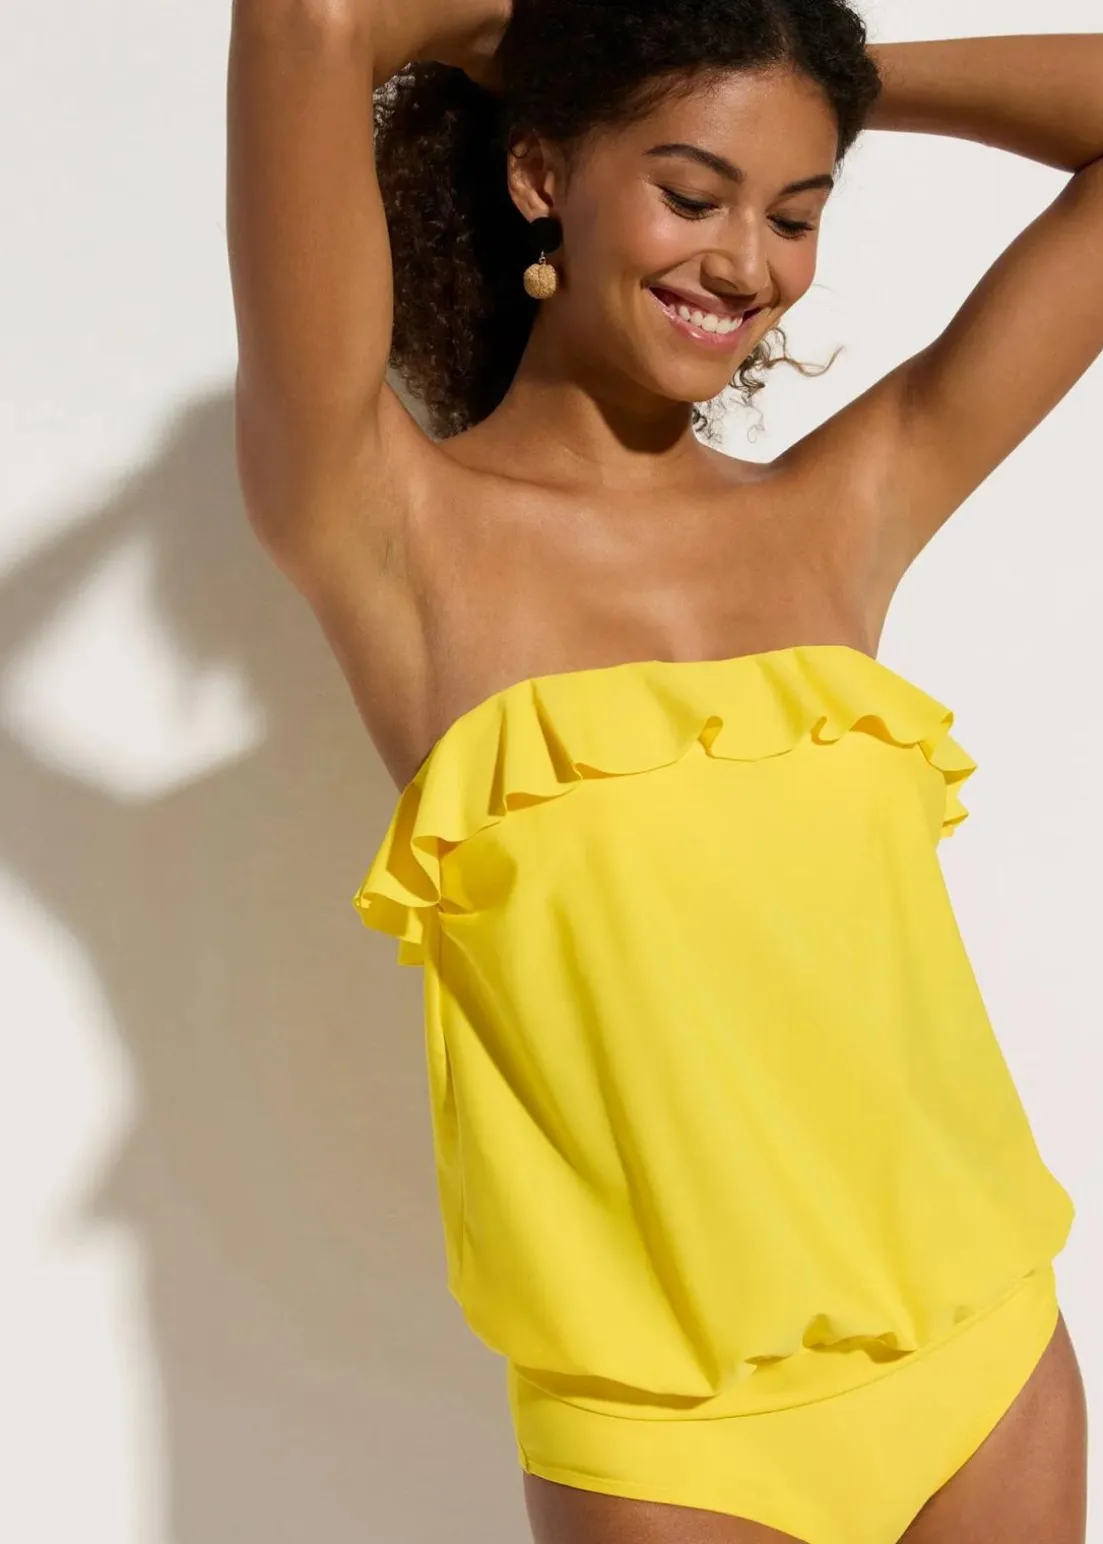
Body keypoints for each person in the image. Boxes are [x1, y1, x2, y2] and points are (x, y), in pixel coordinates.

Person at [226, 2, 1099, 1539]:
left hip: (985, 1358)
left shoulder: (844, 507)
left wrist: (810, 77)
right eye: (692, 193)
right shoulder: (388, 532)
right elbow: (310, 23)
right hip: (665, 1444)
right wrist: (570, 36)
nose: (745, 263)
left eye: (795, 213)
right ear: (540, 173)